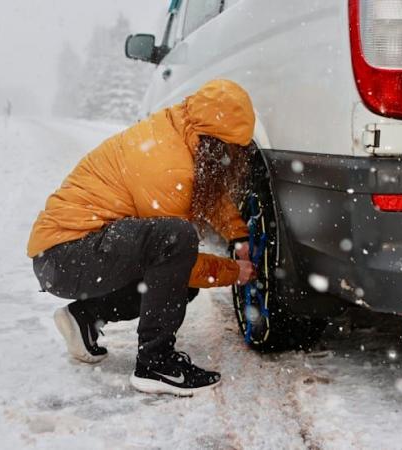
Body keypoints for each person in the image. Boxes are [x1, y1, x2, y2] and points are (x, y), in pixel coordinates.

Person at [28, 79, 256, 396]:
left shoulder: (180, 130)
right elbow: (177, 257)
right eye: (231, 152)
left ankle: (85, 317)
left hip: (71, 252)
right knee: (177, 242)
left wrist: (238, 236)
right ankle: (156, 364)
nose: (233, 161)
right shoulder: (166, 166)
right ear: (215, 144)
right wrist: (233, 272)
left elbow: (207, 194)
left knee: (180, 284)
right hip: (65, 255)